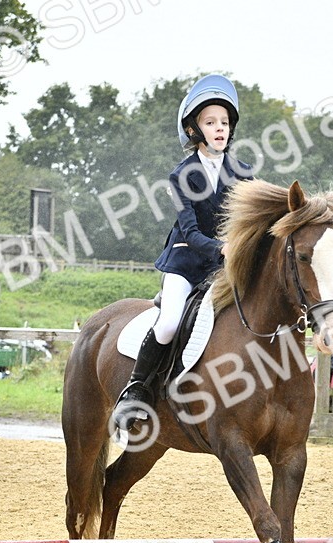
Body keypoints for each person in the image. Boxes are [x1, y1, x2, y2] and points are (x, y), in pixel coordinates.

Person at [111, 73, 254, 431]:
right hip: (186, 263)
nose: (219, 128)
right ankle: (137, 390)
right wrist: (222, 248)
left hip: (225, 266)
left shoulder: (244, 174)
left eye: (224, 122)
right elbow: (190, 232)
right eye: (210, 122)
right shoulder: (182, 175)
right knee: (171, 322)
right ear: (194, 130)